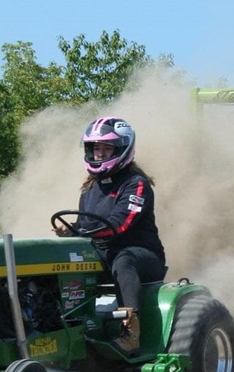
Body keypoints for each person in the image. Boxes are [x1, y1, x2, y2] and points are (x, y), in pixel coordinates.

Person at [54, 117, 167, 353]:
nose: (100, 154)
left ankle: (130, 332)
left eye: (107, 148)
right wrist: (71, 229)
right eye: (96, 148)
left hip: (141, 256)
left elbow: (119, 224)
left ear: (122, 149)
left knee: (123, 260)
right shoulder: (89, 188)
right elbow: (87, 224)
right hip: (101, 253)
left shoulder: (136, 184)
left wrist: (80, 229)